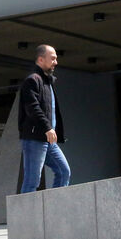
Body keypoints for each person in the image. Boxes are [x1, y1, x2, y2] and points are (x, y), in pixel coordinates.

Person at [18, 44, 70, 193]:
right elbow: (32, 108)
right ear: (41, 60)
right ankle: (26, 215)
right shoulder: (33, 81)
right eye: (52, 59)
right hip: (35, 138)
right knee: (32, 180)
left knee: (64, 172)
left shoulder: (48, 82)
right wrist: (47, 127)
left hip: (48, 141)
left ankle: (54, 208)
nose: (56, 62)